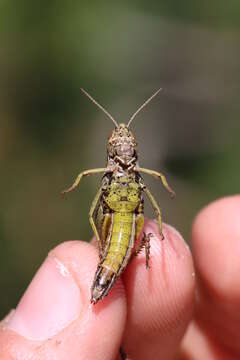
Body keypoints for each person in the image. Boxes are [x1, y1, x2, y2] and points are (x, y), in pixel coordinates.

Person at [0, 196, 239, 359]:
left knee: (151, 244)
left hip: (130, 231)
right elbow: (93, 213)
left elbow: (151, 207)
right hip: (110, 234)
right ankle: (105, 265)